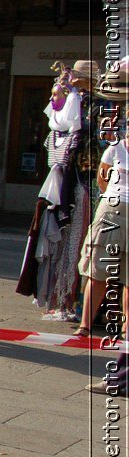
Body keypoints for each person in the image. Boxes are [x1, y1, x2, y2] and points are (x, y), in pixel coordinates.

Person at [76, 123, 127, 337]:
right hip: (111, 212)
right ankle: (85, 325)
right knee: (98, 272)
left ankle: (126, 329)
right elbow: (102, 180)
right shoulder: (115, 149)